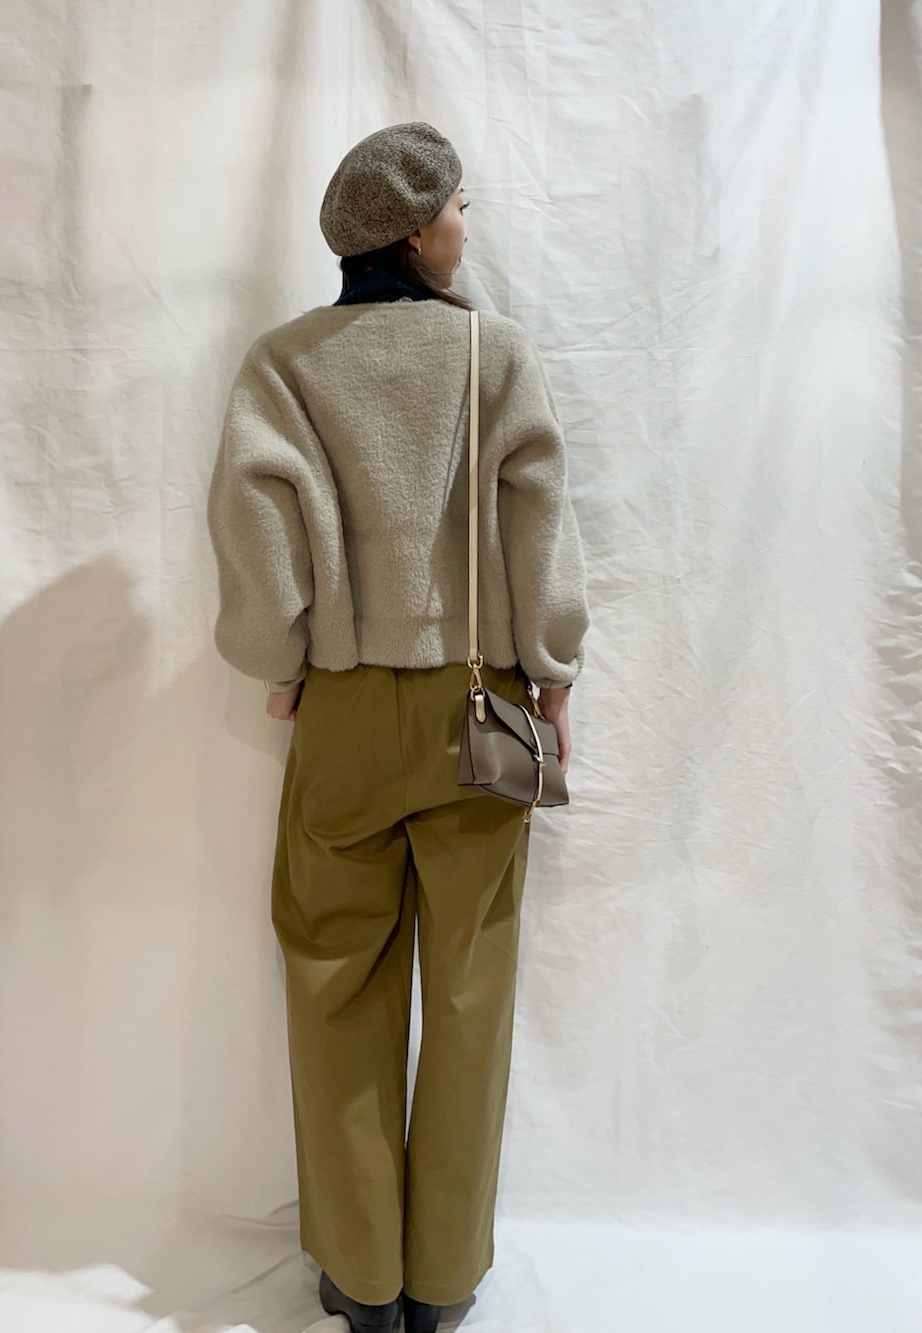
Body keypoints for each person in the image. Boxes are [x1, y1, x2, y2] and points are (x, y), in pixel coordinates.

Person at [206, 123, 589, 1333]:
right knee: (471, 986)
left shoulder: (284, 363)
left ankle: (362, 1282)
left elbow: (256, 523)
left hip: (345, 710)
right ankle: (445, 1279)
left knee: (334, 978)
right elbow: (538, 520)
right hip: (483, 703)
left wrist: (283, 665)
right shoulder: (492, 351)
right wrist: (553, 672)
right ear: (417, 230)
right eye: (460, 207)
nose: (468, 226)